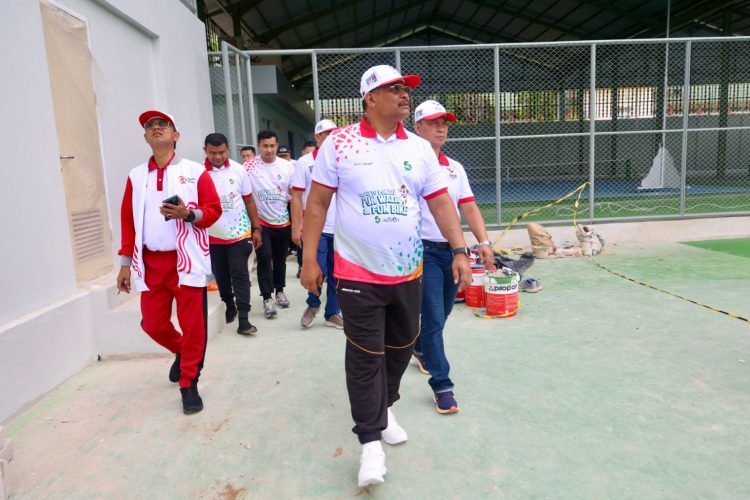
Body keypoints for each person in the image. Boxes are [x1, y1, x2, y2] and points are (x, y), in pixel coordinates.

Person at [301, 65, 472, 488]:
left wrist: (460, 249)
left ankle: (386, 405)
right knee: (365, 354)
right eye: (392, 89)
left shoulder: (418, 147)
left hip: (407, 271)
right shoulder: (339, 144)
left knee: (401, 346)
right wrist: (309, 259)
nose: (403, 94)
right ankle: (370, 444)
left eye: (405, 88)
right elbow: (318, 204)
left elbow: (441, 204)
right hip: (356, 272)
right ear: (369, 99)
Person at [116, 110, 221, 415]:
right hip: (150, 263)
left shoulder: (193, 171)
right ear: (146, 137)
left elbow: (212, 212)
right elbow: (127, 221)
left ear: (176, 136)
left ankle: (189, 383)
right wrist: (124, 263)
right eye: (150, 126)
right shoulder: (136, 176)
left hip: (185, 260)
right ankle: (180, 350)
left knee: (193, 327)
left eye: (163, 125)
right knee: (152, 324)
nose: (156, 128)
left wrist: (188, 214)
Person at [412, 100, 495, 414]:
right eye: (433, 122)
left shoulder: (454, 168)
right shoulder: (408, 165)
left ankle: (419, 347)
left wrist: (482, 242)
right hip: (420, 251)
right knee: (433, 319)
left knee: (442, 312)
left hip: (452, 251)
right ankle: (442, 385)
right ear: (417, 126)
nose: (441, 128)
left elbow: (469, 207)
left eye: (444, 122)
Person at [203, 133, 263, 335]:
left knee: (240, 275)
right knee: (221, 275)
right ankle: (229, 304)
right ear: (205, 151)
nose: (218, 157)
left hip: (239, 234)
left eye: (221, 152)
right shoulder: (199, 173)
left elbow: (249, 201)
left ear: (227, 149)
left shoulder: (238, 170)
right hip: (212, 235)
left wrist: (256, 228)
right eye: (213, 153)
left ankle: (244, 319)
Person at [290, 119, 343, 329]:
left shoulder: (343, 159)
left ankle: (332, 313)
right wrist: (297, 227)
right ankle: (313, 304)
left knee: (338, 273)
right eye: (326, 134)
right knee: (316, 268)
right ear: (318, 137)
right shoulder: (304, 163)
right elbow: (296, 196)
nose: (330, 137)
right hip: (317, 228)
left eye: (333, 133)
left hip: (340, 228)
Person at [244, 130, 295, 318]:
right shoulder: (249, 166)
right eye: (265, 146)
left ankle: (279, 291)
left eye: (272, 145)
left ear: (277, 144)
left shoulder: (288, 167)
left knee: (280, 260)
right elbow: (245, 195)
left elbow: (293, 195)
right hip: (261, 223)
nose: (269, 149)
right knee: (264, 259)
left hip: (282, 222)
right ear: (259, 146)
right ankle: (267, 298)